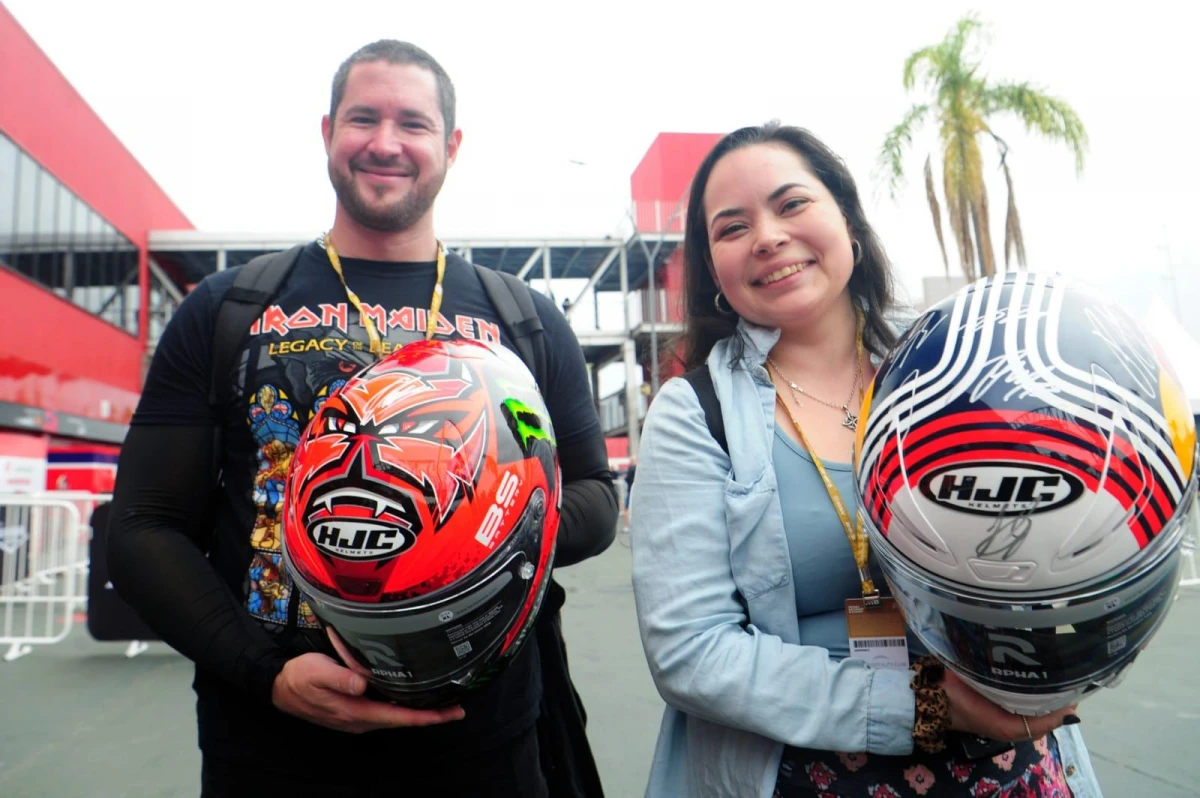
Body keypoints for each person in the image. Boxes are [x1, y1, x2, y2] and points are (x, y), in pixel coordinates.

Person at [108, 40, 616, 798]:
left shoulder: (525, 319)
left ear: (451, 145)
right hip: (270, 746)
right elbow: (144, 525)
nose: (385, 142)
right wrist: (266, 674)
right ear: (327, 133)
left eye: (412, 123)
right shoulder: (228, 307)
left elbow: (597, 500)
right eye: (363, 118)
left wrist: (476, 529)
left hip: (484, 747)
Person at [628, 123, 1103, 797]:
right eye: (732, 228)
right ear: (713, 272)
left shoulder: (957, 364)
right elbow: (691, 654)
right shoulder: (690, 412)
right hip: (815, 775)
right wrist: (922, 704)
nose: (767, 236)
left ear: (848, 223)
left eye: (791, 205)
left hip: (1011, 762)